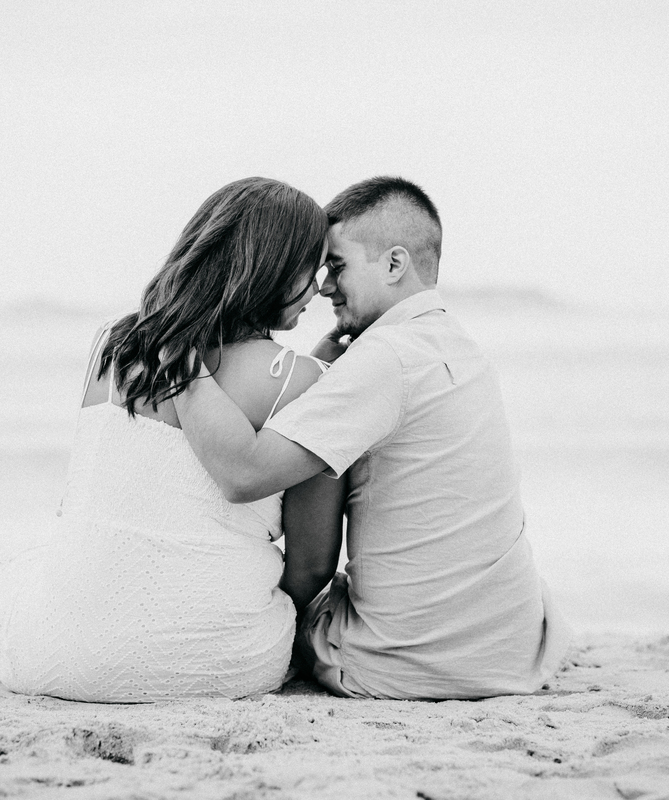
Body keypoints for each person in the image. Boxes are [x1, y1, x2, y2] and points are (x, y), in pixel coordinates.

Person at [174, 176, 571, 700]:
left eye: (336, 266)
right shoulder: (459, 346)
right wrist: (321, 376)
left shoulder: (383, 359)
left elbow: (242, 474)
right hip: (511, 649)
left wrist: (181, 366)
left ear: (393, 264)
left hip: (401, 665)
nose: (323, 287)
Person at [0, 177, 345, 701]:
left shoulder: (118, 349)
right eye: (310, 268)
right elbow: (314, 566)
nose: (319, 288)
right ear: (271, 266)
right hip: (221, 665)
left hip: (52, 661)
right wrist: (315, 375)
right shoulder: (305, 383)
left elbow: (84, 499)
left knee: (14, 578)